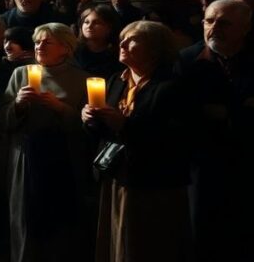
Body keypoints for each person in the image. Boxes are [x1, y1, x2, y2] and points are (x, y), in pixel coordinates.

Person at [83, 21, 194, 262]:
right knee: (116, 240)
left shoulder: (171, 87)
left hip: (151, 182)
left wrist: (125, 125)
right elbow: (103, 131)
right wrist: (91, 119)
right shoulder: (116, 80)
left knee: (146, 244)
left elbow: (175, 139)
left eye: (132, 40)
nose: (122, 44)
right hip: (117, 174)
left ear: (155, 49)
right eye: (122, 37)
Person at [0, 23, 94, 262]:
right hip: (26, 157)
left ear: (65, 48)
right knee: (25, 218)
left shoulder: (83, 80)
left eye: (46, 42)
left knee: (61, 223)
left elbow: (90, 128)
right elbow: (0, 118)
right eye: (38, 41)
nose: (39, 46)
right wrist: (18, 105)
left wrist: (60, 107)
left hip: (64, 158)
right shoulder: (20, 74)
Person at [177, 0, 254, 260]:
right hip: (202, 166)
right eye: (209, 21)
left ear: (245, 28)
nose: (214, 28)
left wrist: (230, 114)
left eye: (224, 23)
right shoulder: (186, 61)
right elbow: (182, 114)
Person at [75, 4, 123, 79]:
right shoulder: (74, 51)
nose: (89, 26)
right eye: (86, 22)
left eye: (96, 22)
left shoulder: (118, 53)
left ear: (109, 27)